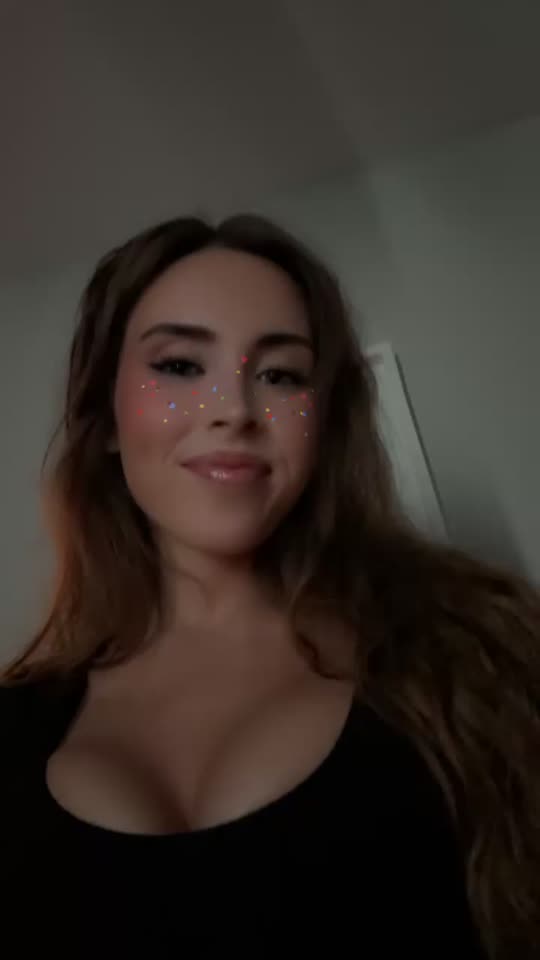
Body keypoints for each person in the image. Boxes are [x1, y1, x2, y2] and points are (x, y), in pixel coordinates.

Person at [1, 214, 538, 959]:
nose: (234, 410)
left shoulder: (482, 649)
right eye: (180, 365)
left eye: (281, 375)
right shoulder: (13, 727)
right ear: (108, 418)